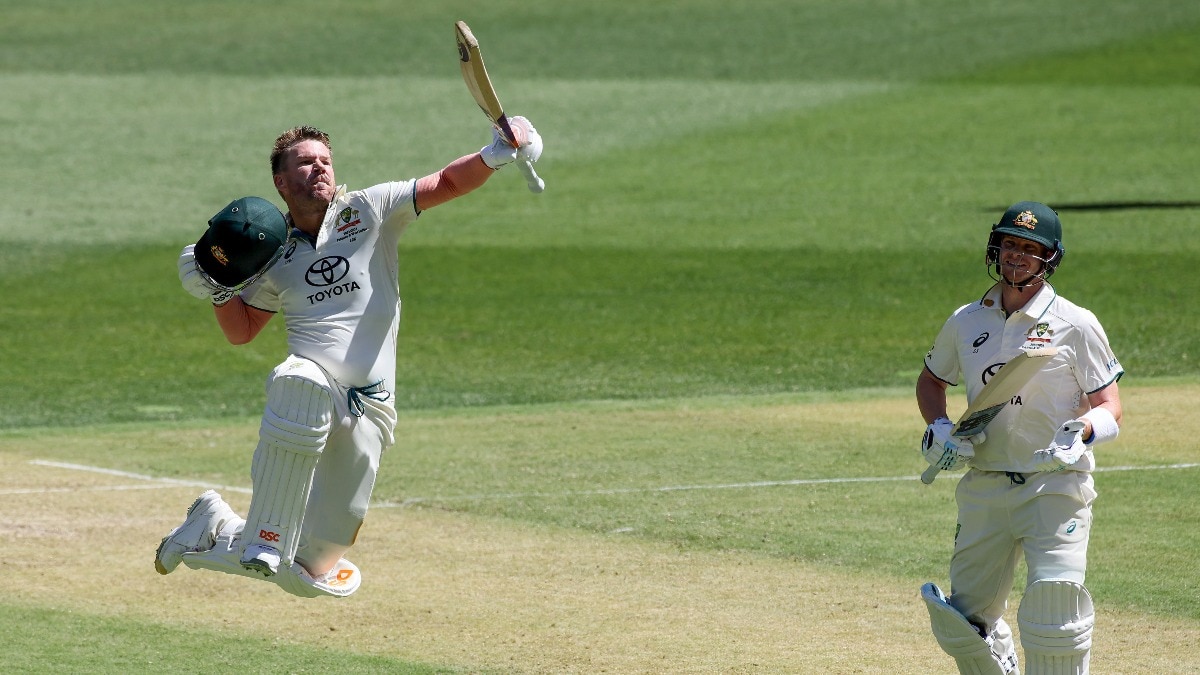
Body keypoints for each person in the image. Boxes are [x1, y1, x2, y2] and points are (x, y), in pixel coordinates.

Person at [155, 117, 543, 598]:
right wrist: (217, 294)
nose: (318, 168)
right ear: (280, 180)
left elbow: (445, 182)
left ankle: (216, 526)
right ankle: (267, 535)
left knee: (311, 572)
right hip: (309, 388)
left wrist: (493, 156)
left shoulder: (370, 209)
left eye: (325, 161)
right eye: (304, 162)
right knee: (302, 382)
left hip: (371, 402)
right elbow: (243, 331)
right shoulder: (270, 253)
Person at [915, 202, 1123, 674]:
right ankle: (1001, 658)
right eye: (1010, 244)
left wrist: (1084, 432)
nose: (1017, 256)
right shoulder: (966, 320)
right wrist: (940, 427)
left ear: (1049, 258)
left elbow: (1111, 405)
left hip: (1055, 485)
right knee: (966, 624)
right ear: (996, 247)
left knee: (1057, 615)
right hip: (985, 484)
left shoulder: (1075, 322)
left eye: (1031, 249)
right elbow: (930, 381)